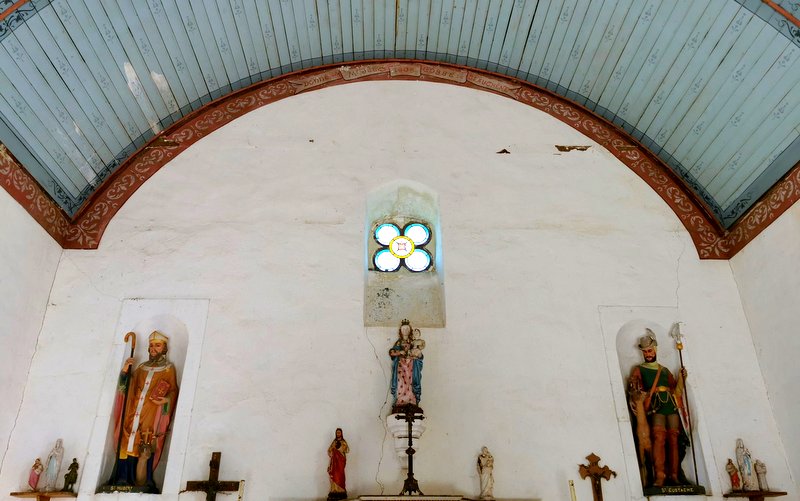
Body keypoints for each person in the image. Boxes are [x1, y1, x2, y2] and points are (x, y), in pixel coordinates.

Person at [106, 330, 178, 492]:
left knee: (144, 443)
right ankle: (121, 478)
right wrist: (125, 371)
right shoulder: (141, 367)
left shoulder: (168, 369)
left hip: (151, 414)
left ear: (165, 348)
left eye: (157, 346)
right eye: (151, 345)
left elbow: (173, 391)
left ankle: (143, 481)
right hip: (133, 412)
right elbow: (126, 386)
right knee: (126, 440)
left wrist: (166, 400)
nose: (153, 349)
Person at [627, 331, 688, 487]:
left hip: (670, 404)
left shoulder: (665, 370)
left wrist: (681, 378)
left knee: (673, 439)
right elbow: (635, 390)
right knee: (659, 439)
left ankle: (674, 475)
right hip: (655, 406)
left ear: (655, 350)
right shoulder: (639, 369)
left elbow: (677, 392)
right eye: (645, 351)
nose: (648, 354)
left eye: (650, 350)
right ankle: (660, 475)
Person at [389, 319, 424, 413]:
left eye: (407, 329)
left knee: (411, 382)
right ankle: (401, 401)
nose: (405, 331)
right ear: (400, 331)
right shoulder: (399, 343)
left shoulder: (413, 342)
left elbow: (419, 354)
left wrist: (418, 354)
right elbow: (392, 352)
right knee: (401, 381)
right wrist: (400, 352)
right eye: (403, 329)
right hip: (401, 366)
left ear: (410, 330)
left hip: (411, 365)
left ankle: (412, 401)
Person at [327, 428, 349, 501]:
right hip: (334, 462)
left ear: (341, 433)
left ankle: (341, 491)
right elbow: (329, 450)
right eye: (337, 433)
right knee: (334, 475)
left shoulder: (343, 442)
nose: (338, 434)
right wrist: (332, 450)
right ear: (336, 433)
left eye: (339, 432)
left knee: (340, 475)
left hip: (340, 462)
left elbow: (346, 449)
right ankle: (334, 491)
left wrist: (339, 449)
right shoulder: (334, 442)